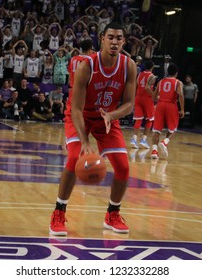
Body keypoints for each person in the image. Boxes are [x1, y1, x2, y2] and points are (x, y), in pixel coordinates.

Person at [49, 22, 137, 236]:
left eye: (119, 38)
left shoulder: (129, 66)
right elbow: (77, 109)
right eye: (111, 37)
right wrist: (85, 143)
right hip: (80, 116)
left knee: (123, 167)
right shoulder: (86, 66)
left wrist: (112, 115)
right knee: (73, 158)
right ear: (102, 38)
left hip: (107, 118)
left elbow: (129, 104)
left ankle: (112, 214)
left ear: (124, 41)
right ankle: (59, 211)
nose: (114, 42)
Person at [151, 63, 184, 159]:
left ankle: (154, 151)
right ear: (176, 73)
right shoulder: (178, 82)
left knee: (156, 130)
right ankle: (164, 142)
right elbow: (181, 95)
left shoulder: (161, 81)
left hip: (160, 105)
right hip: (171, 105)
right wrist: (182, 109)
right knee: (173, 129)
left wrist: (162, 99)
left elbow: (154, 97)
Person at [130, 59, 156, 149]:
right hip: (147, 99)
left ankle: (133, 139)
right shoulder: (152, 76)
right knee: (150, 120)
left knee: (138, 120)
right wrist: (154, 96)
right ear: (152, 67)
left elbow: (136, 86)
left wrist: (133, 98)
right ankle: (143, 140)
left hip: (138, 97)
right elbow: (147, 88)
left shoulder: (140, 74)